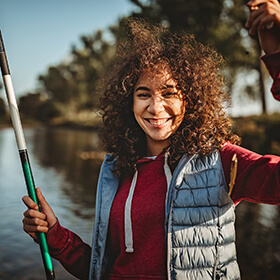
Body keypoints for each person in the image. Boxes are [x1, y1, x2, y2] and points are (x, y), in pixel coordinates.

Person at [22, 0, 280, 279]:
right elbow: (104, 271)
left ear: (189, 101)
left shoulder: (223, 160)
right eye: (144, 94)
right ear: (128, 103)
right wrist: (55, 236)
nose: (156, 108)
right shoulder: (115, 168)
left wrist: (278, 56)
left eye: (169, 93)